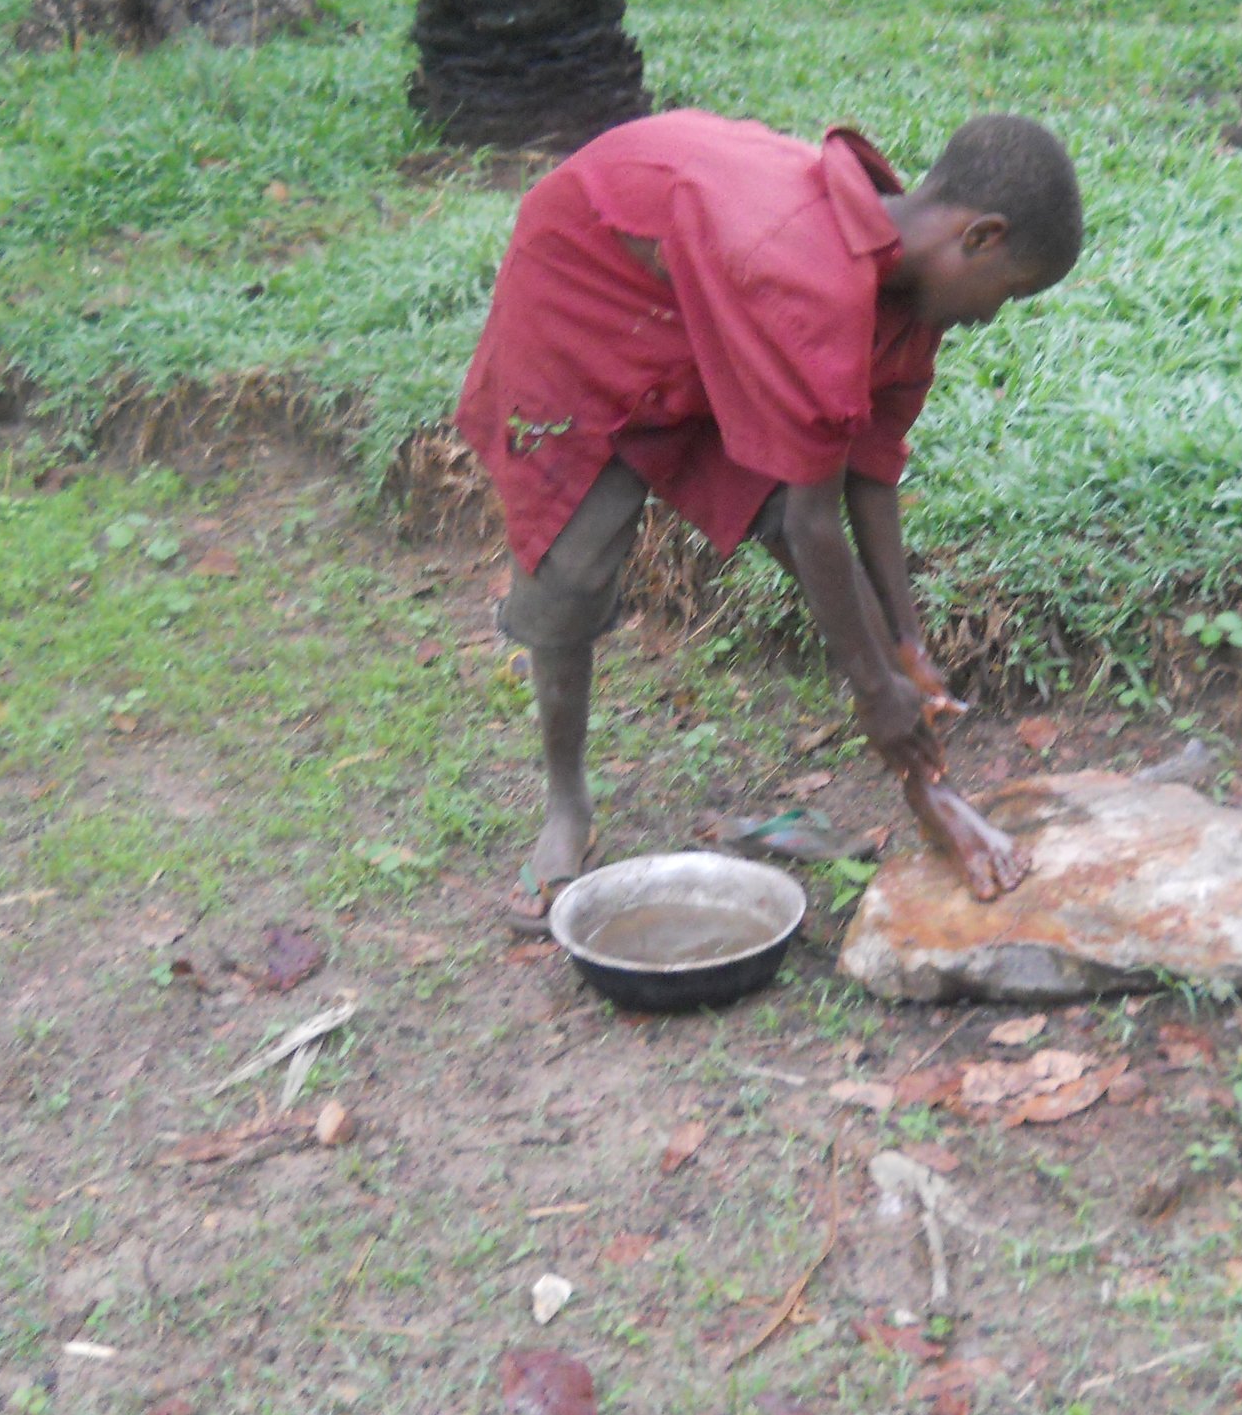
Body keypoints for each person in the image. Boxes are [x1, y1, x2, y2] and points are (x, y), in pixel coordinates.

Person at [454, 109, 1084, 931]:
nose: (993, 317)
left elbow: (869, 473)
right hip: (593, 289)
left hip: (713, 293)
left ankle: (933, 793)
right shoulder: (806, 283)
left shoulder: (903, 299)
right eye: (1009, 291)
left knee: (792, 507)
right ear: (980, 237)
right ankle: (568, 803)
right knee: (571, 567)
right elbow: (811, 526)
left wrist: (907, 645)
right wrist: (874, 694)